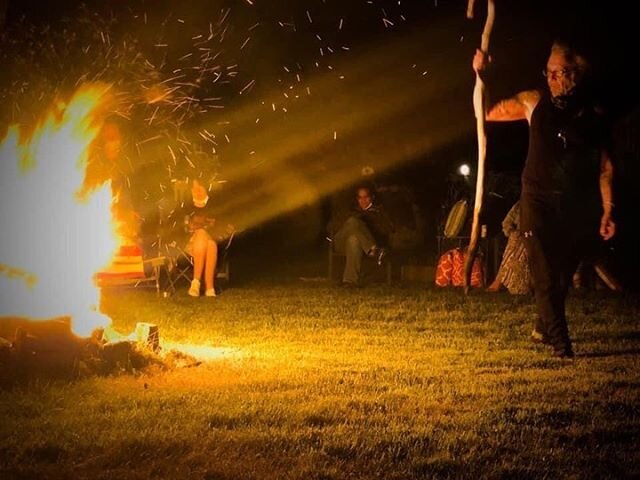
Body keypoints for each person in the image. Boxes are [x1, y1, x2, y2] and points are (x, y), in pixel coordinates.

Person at [473, 39, 616, 358]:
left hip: (573, 204)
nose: (551, 78)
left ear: (576, 74)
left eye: (559, 72)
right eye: (548, 72)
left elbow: (605, 167)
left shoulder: (592, 115)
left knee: (562, 275)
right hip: (536, 200)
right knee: (544, 272)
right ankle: (561, 342)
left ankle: (543, 325)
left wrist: (608, 209)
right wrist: (484, 75)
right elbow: (486, 111)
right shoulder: (533, 102)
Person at [328, 184, 394, 287]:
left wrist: (371, 224)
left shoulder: (379, 211)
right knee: (353, 222)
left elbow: (389, 229)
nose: (363, 200)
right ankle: (373, 249)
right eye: (360, 197)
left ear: (372, 197)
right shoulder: (350, 210)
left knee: (353, 240)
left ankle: (349, 281)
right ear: (357, 198)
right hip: (340, 241)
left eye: (366, 197)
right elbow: (330, 227)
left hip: (359, 246)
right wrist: (351, 222)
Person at [182, 178, 233, 297]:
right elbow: (182, 226)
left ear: (205, 189)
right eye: (194, 188)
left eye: (200, 188)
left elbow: (221, 225)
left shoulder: (215, 205)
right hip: (190, 244)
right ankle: (206, 286)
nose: (197, 191)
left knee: (210, 243)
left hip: (212, 241)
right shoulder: (187, 206)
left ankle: (201, 285)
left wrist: (206, 226)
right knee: (202, 234)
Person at [486, 200, 532, 295]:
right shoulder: (520, 205)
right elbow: (506, 223)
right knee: (515, 242)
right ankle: (502, 280)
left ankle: (506, 282)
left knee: (521, 244)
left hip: (532, 237)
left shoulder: (540, 206)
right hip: (518, 236)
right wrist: (511, 232)